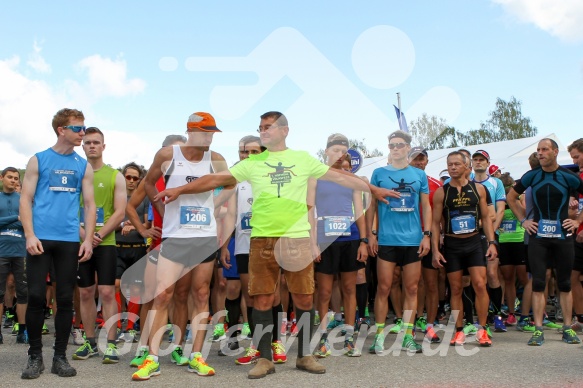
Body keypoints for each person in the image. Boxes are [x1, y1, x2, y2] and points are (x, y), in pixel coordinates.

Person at [154, 111, 370, 379]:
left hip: (297, 237)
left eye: (268, 127)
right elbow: (215, 180)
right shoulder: (254, 163)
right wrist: (179, 189)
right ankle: (265, 358)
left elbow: (340, 177)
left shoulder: (302, 159)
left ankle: (304, 355)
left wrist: (376, 190)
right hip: (262, 239)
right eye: (260, 128)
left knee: (303, 297)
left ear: (284, 130)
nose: (263, 131)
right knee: (263, 299)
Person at [132, 112, 230, 381]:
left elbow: (231, 183)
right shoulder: (168, 155)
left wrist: (215, 205)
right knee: (163, 295)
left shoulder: (217, 159)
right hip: (175, 236)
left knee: (200, 295)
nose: (209, 137)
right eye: (205, 132)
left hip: (205, 237)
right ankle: (152, 358)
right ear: (191, 131)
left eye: (212, 133)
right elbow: (149, 183)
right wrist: (161, 207)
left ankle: (196, 356)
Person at [20, 108, 96, 379]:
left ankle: (59, 357)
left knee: (65, 299)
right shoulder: (38, 160)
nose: (83, 134)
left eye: (84, 128)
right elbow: (25, 199)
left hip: (67, 240)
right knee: (37, 297)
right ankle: (34, 356)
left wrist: (87, 238)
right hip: (40, 239)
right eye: (78, 129)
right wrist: (29, 234)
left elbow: (89, 203)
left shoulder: (82, 165)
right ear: (61, 130)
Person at [507, 138, 583, 346]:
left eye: (544, 149)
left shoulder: (569, 176)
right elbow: (511, 197)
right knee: (539, 282)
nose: (540, 153)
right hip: (538, 237)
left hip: (563, 236)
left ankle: (568, 327)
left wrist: (577, 221)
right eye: (538, 150)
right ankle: (538, 329)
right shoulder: (532, 176)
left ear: (555, 152)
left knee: (565, 283)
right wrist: (524, 221)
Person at [366, 131, 431, 355]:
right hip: (387, 240)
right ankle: (379, 336)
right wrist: (371, 234)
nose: (395, 148)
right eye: (391, 145)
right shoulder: (379, 173)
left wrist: (427, 235)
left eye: (399, 145)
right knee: (383, 288)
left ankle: (408, 336)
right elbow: (372, 206)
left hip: (413, 239)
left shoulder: (419, 175)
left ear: (407, 148)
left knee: (412, 288)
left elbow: (426, 207)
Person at [431, 151, 497, 347]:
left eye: (456, 164)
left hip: (475, 242)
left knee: (479, 284)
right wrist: (436, 250)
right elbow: (435, 223)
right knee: (456, 288)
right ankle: (458, 331)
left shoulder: (479, 189)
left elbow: (486, 218)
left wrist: (492, 243)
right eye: (449, 164)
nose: (452, 167)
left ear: (467, 167)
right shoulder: (442, 192)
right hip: (453, 244)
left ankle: (482, 330)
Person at [309, 134, 367, 358]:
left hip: (349, 238)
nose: (339, 155)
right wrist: (313, 243)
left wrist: (363, 240)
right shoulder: (316, 177)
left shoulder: (351, 179)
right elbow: (310, 212)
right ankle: (323, 338)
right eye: (335, 150)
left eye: (343, 152)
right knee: (324, 291)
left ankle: (350, 337)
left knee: (349, 289)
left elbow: (359, 211)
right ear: (326, 152)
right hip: (325, 239)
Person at [73, 127, 127, 364]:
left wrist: (98, 235)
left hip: (105, 242)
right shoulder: (75, 174)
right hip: (79, 241)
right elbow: (68, 210)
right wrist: (85, 235)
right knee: (85, 292)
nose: (92, 146)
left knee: (106, 291)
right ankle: (90, 342)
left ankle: (112, 344)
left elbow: (120, 211)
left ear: (103, 147)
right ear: (82, 146)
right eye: (87, 142)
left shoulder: (115, 175)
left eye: (96, 142)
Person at [408, 146, 443, 343]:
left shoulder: (436, 184)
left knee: (431, 283)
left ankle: (430, 325)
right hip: (407, 238)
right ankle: (410, 325)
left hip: (429, 236)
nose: (419, 162)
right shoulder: (402, 181)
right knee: (412, 284)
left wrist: (438, 236)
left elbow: (440, 215)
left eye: (422, 159)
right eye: (415, 159)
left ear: (427, 161)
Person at [471, 150, 507, 332]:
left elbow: (500, 210)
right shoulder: (467, 180)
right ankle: (478, 316)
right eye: (475, 159)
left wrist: (491, 231)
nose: (478, 163)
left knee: (492, 274)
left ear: (487, 162)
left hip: (490, 234)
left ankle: (498, 315)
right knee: (476, 278)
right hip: (470, 234)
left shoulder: (496, 182)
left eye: (482, 160)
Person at [115, 162, 149, 344]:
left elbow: (147, 224)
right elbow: (109, 221)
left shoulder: (143, 199)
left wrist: (132, 225)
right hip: (117, 247)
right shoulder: (117, 196)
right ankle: (119, 322)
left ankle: (129, 327)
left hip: (137, 248)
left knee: (135, 289)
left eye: (135, 178)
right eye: (128, 177)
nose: (131, 181)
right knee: (116, 285)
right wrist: (122, 225)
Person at [0, 167, 27, 345]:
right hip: (1, 251)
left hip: (21, 251)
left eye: (16, 178)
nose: (13, 180)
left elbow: (28, 222)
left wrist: (20, 219)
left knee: (23, 292)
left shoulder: (23, 200)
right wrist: (16, 218)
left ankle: (22, 330)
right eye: (9, 177)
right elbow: (20, 220)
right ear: (2, 178)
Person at [497, 173, 528, 327]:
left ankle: (529, 312)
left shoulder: (519, 198)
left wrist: (516, 200)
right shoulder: (500, 202)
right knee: (508, 279)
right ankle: (511, 313)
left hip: (520, 240)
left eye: (510, 189)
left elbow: (525, 214)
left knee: (524, 279)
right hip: (504, 242)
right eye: (505, 190)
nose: (508, 192)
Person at [567, 139, 583, 333]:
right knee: (573, 276)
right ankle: (580, 318)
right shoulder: (577, 177)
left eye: (577, 157)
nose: (575, 161)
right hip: (577, 234)